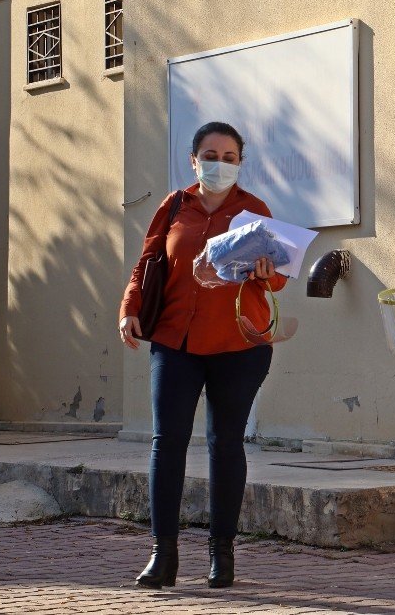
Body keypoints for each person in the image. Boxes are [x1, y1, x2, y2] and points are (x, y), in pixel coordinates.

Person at [118, 121, 287, 589]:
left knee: (225, 444)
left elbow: (279, 278)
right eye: (210, 156)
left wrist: (266, 273)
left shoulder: (254, 211)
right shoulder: (174, 205)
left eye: (230, 157)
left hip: (239, 344)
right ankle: (163, 555)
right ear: (193, 161)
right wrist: (129, 308)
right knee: (167, 442)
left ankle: (222, 555)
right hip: (175, 342)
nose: (220, 164)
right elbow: (147, 262)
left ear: (240, 163)